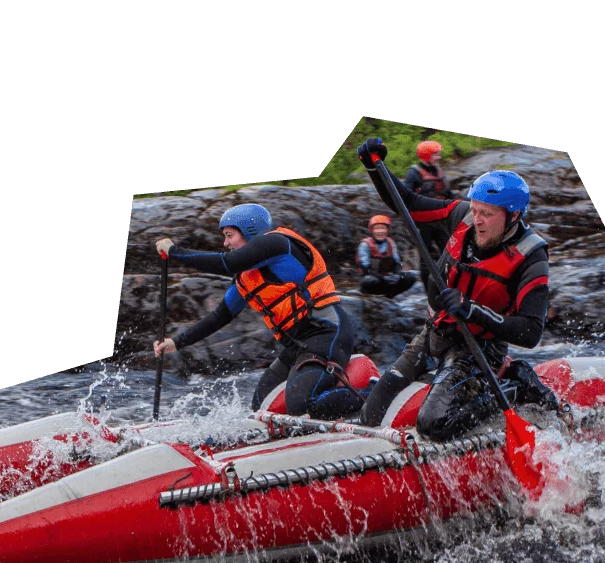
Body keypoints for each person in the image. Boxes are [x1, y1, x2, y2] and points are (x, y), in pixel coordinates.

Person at [352, 137, 559, 440]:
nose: (478, 221)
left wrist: (473, 311)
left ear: (514, 216)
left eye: (487, 214)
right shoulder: (461, 216)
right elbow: (406, 202)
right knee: (371, 412)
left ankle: (516, 385)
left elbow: (531, 332)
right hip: (436, 330)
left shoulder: (531, 257)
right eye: (476, 210)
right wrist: (374, 168)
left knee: (434, 424)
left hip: (479, 347)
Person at [152, 203, 366, 420]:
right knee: (261, 409)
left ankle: (372, 397)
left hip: (326, 334)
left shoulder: (277, 243)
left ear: (249, 231)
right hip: (297, 346)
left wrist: (174, 251)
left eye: (229, 235)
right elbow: (220, 316)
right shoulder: (248, 278)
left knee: (302, 405)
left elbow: (227, 263)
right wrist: (177, 342)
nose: (225, 243)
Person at [357, 214, 419, 297]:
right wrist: (382, 278)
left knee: (411, 277)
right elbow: (366, 268)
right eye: (377, 228)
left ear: (387, 230)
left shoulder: (391, 243)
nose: (380, 231)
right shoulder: (365, 245)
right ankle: (377, 294)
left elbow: (397, 264)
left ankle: (390, 295)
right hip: (373, 278)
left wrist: (396, 276)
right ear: (372, 230)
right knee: (368, 281)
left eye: (383, 228)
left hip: (389, 279)